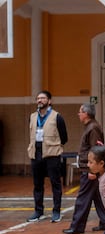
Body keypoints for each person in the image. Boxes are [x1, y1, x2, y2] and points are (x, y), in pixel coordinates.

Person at [62, 103, 105, 234]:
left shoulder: (93, 128)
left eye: (80, 112)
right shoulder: (90, 127)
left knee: (83, 199)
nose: (78, 114)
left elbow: (96, 150)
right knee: (97, 197)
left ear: (86, 114)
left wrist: (92, 171)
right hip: (89, 168)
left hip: (89, 170)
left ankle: (77, 226)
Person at [27, 90, 68, 222]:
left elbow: (64, 137)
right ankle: (38, 211)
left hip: (52, 155)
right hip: (36, 154)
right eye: (38, 98)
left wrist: (54, 146)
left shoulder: (57, 117)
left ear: (49, 101)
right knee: (37, 184)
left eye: (43, 98)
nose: (40, 100)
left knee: (55, 184)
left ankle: (56, 211)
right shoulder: (32, 116)